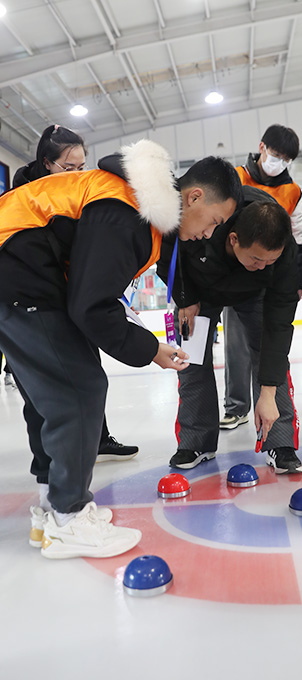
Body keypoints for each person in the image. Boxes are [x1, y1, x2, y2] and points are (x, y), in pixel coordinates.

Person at [0, 139, 241, 558]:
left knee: (50, 395)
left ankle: (51, 504)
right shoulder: (126, 212)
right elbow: (91, 306)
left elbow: (92, 296)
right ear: (194, 196)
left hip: (23, 275)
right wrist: (150, 349)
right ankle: (69, 519)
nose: (210, 232)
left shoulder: (136, 208)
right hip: (18, 275)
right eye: (215, 220)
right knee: (78, 389)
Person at [13, 124, 139, 462]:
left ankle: (98, 438)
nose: (77, 174)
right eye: (69, 168)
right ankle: (50, 465)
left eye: (82, 166)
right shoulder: (26, 196)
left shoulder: (76, 192)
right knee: (42, 387)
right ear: (46, 163)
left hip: (70, 295)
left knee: (90, 373)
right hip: (32, 302)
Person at [158, 187, 302, 474]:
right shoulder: (206, 218)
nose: (262, 267)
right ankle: (196, 440)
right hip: (198, 291)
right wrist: (184, 298)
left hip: (254, 295)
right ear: (234, 239)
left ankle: (279, 440)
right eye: (256, 260)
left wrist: (268, 393)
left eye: (270, 262)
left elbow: (279, 326)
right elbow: (166, 253)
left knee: (270, 354)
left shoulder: (284, 255)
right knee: (191, 359)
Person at [219, 124, 302, 430]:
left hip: (272, 271)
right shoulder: (235, 178)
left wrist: (299, 280)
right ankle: (236, 406)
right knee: (235, 343)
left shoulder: (292, 191)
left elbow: (298, 237)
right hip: (233, 270)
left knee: (270, 340)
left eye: (287, 158)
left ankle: (273, 407)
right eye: (275, 154)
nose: (279, 162)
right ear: (262, 147)